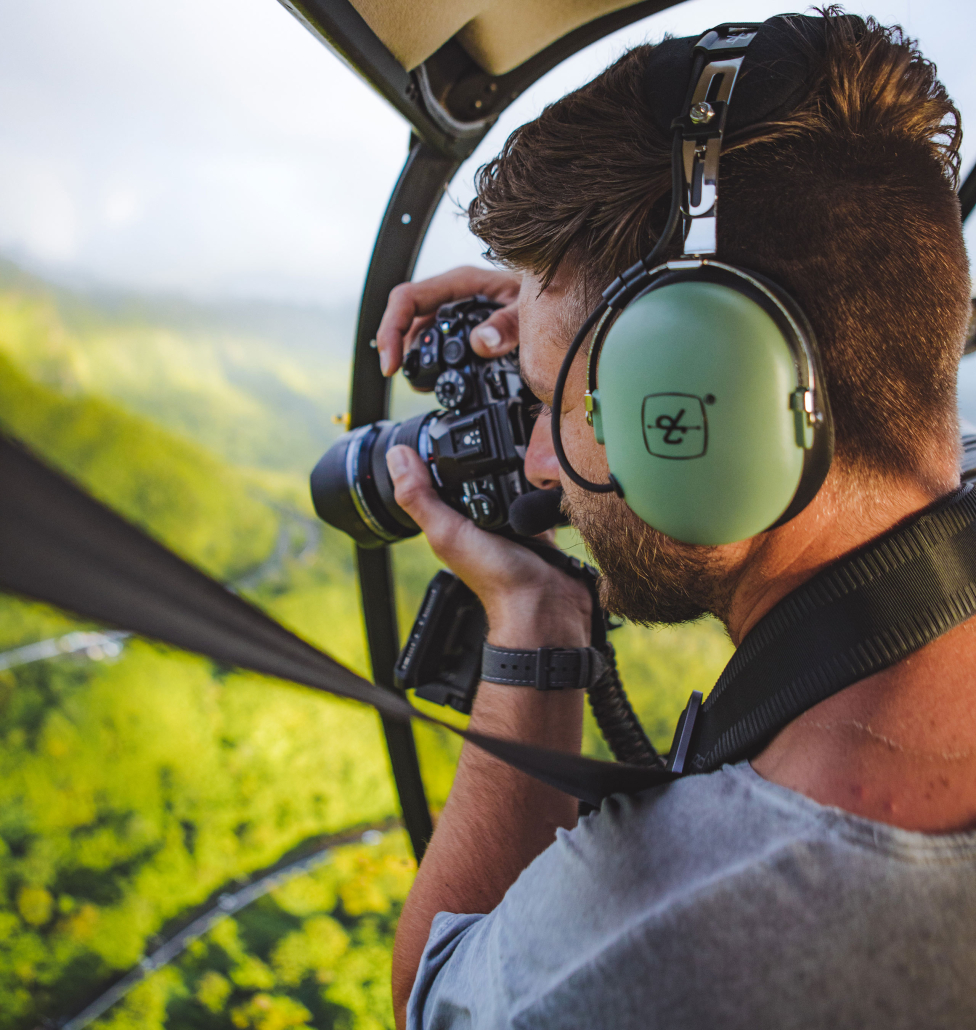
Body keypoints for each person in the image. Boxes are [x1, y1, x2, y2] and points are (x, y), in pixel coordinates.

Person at [376, 12, 976, 1029]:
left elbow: (436, 1001)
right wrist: (568, 329)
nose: (536, 464)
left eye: (562, 407)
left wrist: (532, 620)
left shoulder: (677, 957)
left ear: (706, 402)